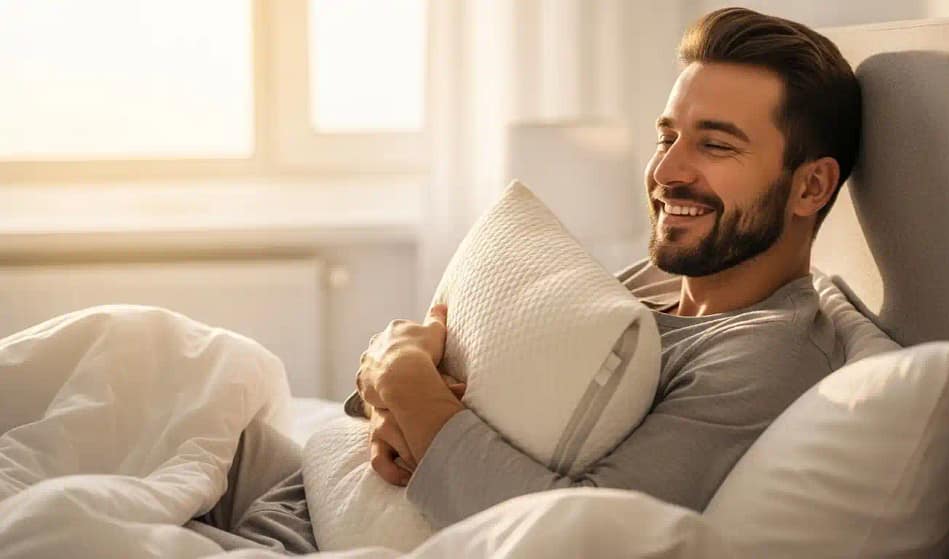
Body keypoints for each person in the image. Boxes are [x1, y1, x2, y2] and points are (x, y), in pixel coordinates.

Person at [190, 6, 862, 553]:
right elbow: (421, 382)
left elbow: (570, 532)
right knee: (193, 371)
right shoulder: (652, 282)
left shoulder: (766, 351)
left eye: (714, 144)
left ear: (811, 185)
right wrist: (391, 367)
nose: (666, 171)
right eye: (667, 137)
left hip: (299, 539)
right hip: (292, 499)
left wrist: (405, 383)